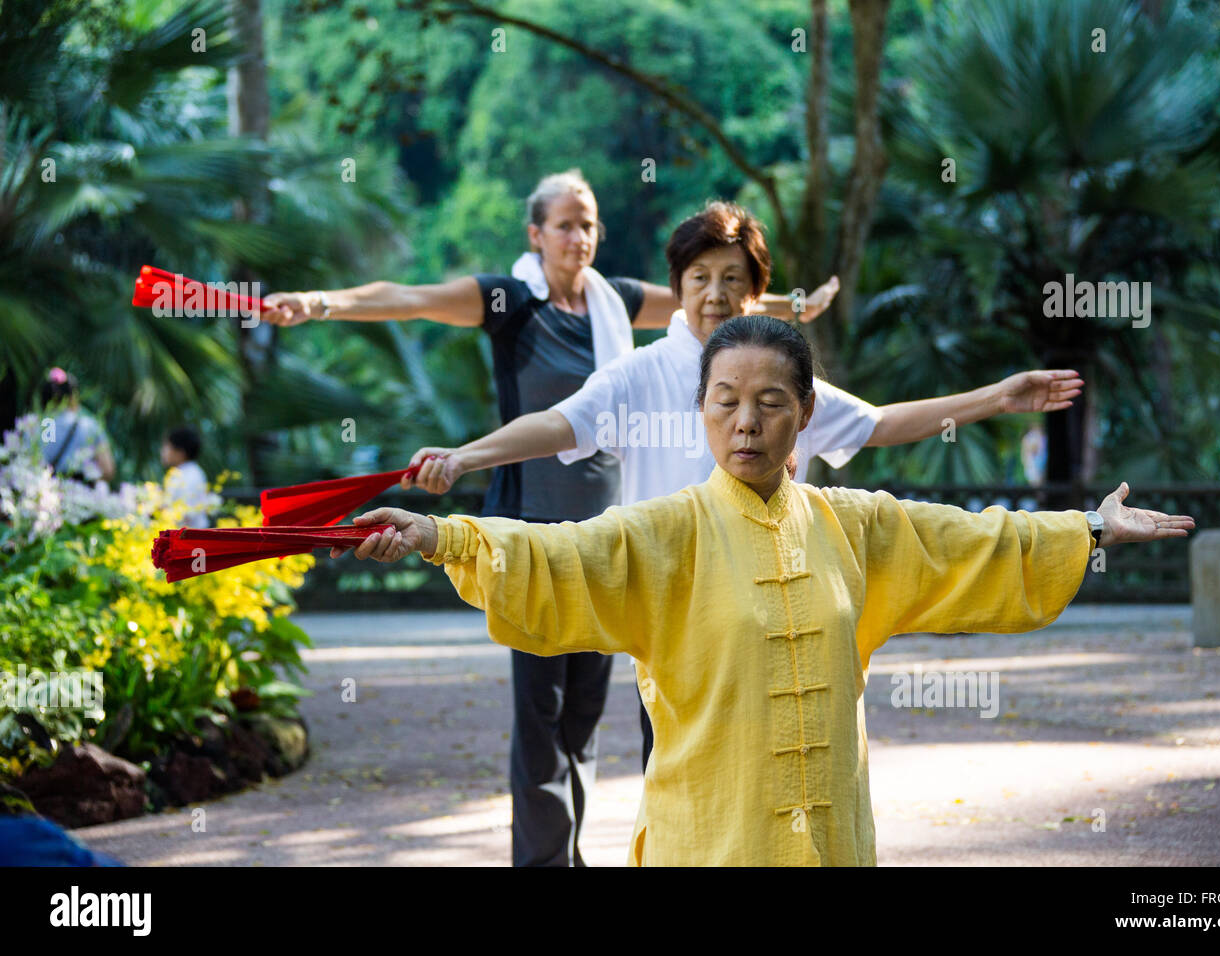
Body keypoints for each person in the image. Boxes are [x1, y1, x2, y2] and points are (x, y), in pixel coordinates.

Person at [332, 315, 1194, 866]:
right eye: (725, 401)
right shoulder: (663, 532)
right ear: (701, 410)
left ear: (805, 414)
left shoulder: (855, 526)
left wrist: (1089, 529)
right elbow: (564, 556)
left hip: (830, 842)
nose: (746, 422)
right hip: (710, 841)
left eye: (770, 402)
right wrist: (439, 535)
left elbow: (973, 541)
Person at [261, 171, 839, 868]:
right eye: (565, 224)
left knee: (584, 719)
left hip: (606, 535)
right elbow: (408, 299)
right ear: (535, 234)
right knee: (540, 716)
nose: (580, 237)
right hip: (529, 530)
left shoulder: (615, 301)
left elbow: (718, 298)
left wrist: (796, 305)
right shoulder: (510, 300)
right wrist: (318, 303)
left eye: (589, 224)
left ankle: (572, 855)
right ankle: (542, 864)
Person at [397, 201, 1086, 769]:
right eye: (699, 277)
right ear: (680, 286)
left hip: (777, 608)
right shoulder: (639, 374)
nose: (714, 294)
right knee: (679, 773)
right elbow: (555, 424)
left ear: (756, 292)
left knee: (787, 763)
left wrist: (997, 397)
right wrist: (464, 459)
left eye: (732, 278)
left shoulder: (785, 377)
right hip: (676, 609)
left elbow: (879, 423)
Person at [37, 368, 115, 484]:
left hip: (42, 493)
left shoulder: (36, 425)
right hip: (79, 494)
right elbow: (107, 469)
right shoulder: (90, 425)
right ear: (72, 397)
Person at [160, 426, 216, 528]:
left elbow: (185, 513)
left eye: (167, 446)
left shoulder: (190, 475)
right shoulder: (185, 472)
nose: (163, 452)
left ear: (180, 452)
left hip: (189, 537)